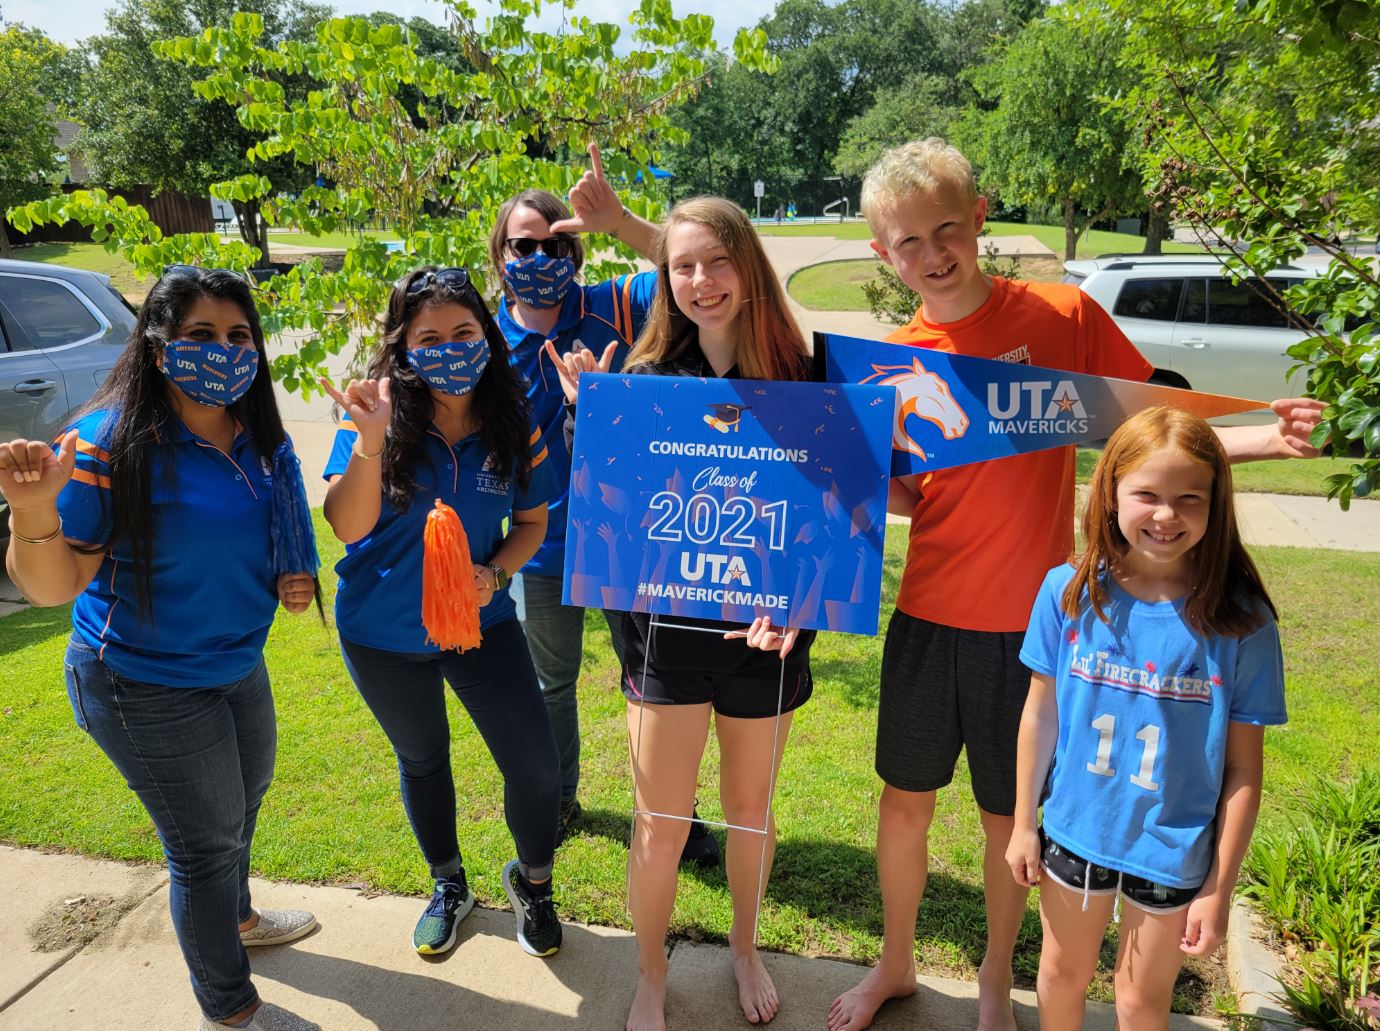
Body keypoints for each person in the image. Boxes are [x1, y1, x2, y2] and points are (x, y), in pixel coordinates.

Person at [828, 137, 1324, 1031]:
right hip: (925, 617)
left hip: (1033, 628)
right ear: (881, 254)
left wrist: (1267, 438)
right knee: (903, 807)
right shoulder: (898, 358)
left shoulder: (1061, 316)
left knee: (1000, 821)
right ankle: (893, 965)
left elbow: (1158, 435)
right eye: (906, 242)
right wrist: (849, 473)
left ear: (979, 219)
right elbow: (905, 491)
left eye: (947, 227)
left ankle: (991, 979)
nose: (931, 253)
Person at [0, 267, 321, 1031]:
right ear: (156, 347)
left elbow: (268, 522)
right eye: (201, 335)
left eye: (238, 335)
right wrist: (34, 512)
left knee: (247, 797)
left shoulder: (256, 432)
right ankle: (232, 1008)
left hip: (235, 660)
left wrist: (291, 567)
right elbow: (55, 584)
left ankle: (237, 917)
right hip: (140, 681)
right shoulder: (112, 440)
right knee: (205, 846)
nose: (225, 350)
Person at [546, 196, 818, 1031]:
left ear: (749, 265)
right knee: (660, 825)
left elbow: (824, 519)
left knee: (750, 812)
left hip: (764, 645)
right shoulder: (638, 379)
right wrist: (587, 420)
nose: (701, 281)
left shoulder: (803, 378)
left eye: (718, 261)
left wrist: (799, 611)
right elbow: (613, 513)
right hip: (664, 642)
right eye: (683, 265)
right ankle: (653, 973)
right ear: (666, 276)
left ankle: (743, 946)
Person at [1008, 406, 1284, 1029]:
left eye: (1190, 497)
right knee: (1059, 974)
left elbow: (1243, 769)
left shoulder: (1242, 621)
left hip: (1173, 847)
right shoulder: (1067, 591)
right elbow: (1039, 714)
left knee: (1139, 1000)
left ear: (1217, 504)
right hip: (1076, 829)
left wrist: (1218, 886)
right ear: (1110, 494)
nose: (1166, 515)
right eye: (1147, 495)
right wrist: (1025, 823)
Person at [320, 266, 565, 960]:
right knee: (423, 758)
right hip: (382, 633)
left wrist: (496, 572)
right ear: (403, 346)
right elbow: (346, 523)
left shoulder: (513, 423)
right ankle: (448, 884)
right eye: (429, 337)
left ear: (486, 335)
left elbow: (532, 521)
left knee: (536, 765)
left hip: (480, 627)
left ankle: (534, 885)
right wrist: (370, 442)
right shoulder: (375, 414)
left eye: (464, 331)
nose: (450, 347)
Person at [491, 145, 719, 864]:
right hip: (541, 545)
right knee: (551, 681)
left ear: (578, 252)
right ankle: (561, 798)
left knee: (653, 688)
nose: (537, 257)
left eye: (554, 243)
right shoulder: (486, 343)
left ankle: (670, 817)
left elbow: (696, 272)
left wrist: (619, 220)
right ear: (499, 256)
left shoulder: (615, 302)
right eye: (521, 245)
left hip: (632, 539)